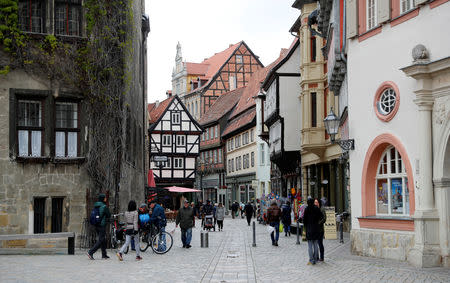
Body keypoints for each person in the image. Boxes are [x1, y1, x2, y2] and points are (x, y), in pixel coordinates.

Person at [87, 193, 111, 260]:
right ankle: (90, 252)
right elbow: (109, 215)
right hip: (101, 224)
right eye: (105, 198)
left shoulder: (96, 205)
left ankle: (104, 254)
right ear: (103, 199)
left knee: (102, 239)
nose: (106, 199)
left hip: (96, 224)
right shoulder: (104, 206)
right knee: (101, 240)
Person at [303, 198, 322, 265]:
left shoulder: (306, 209)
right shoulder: (316, 208)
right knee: (315, 244)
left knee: (310, 245)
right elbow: (321, 216)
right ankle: (315, 258)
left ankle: (311, 259)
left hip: (309, 228)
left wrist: (305, 226)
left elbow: (304, 219)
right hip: (316, 228)